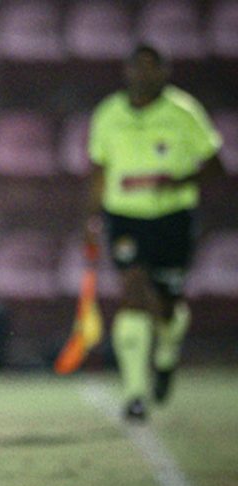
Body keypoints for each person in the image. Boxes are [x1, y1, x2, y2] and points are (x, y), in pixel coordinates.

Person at [86, 45, 224, 422]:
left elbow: (217, 166)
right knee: (132, 292)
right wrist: (92, 218)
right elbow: (99, 170)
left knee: (166, 307)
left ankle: (166, 353)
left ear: (164, 72)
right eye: (137, 67)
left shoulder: (184, 112)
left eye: (151, 67)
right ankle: (134, 394)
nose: (143, 74)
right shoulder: (108, 113)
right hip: (125, 218)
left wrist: (178, 180)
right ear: (127, 71)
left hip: (172, 218)